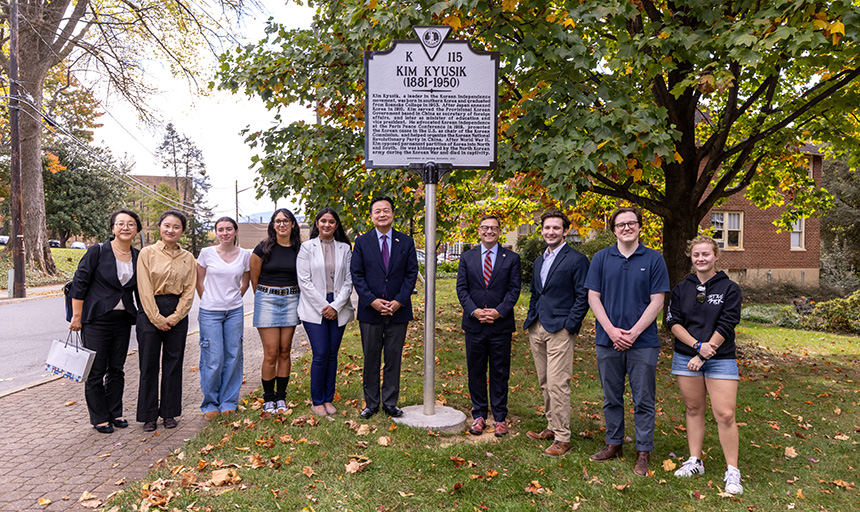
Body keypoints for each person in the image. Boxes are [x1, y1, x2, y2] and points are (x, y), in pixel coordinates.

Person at [585, 206, 670, 475]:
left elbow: (658, 301)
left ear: (639, 227)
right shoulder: (600, 258)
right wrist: (611, 330)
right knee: (612, 396)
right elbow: (593, 297)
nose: (626, 228)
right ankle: (614, 443)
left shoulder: (654, 259)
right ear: (613, 229)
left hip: (643, 342)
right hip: (606, 339)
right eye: (620, 224)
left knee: (643, 397)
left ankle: (643, 450)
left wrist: (633, 333)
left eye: (631, 223)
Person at [667, 236, 744, 494]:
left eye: (706, 254)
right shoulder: (680, 289)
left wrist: (705, 352)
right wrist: (697, 347)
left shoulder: (730, 288)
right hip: (686, 356)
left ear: (716, 256)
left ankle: (732, 470)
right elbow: (673, 322)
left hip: (720, 358)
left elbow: (727, 323)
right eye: (696, 255)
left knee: (725, 414)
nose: (701, 259)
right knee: (693, 408)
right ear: (691, 257)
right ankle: (694, 460)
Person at [522, 210, 590, 457]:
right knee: (544, 381)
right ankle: (551, 427)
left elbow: (584, 296)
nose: (551, 232)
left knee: (558, 383)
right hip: (537, 326)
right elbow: (535, 292)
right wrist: (531, 319)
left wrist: (570, 325)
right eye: (547, 228)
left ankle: (563, 437)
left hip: (560, 329)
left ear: (565, 231)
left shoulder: (577, 259)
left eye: (556, 228)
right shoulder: (541, 260)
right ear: (542, 229)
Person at [69, 209, 142, 433]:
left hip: (122, 319)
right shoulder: (98, 251)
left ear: (137, 229)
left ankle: (115, 412)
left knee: (117, 369)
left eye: (130, 224)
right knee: (96, 370)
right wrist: (77, 316)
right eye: (120, 223)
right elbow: (79, 283)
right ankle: (99, 417)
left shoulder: (139, 256)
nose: (125, 227)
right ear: (113, 228)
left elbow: (140, 289)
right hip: (96, 319)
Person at [350, 196, 419, 419]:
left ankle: (390, 403)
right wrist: (372, 301)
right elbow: (357, 275)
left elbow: (411, 274)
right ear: (371, 216)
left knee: (393, 357)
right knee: (371, 358)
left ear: (392, 214)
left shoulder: (406, 242)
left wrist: (399, 301)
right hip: (371, 311)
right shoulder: (362, 242)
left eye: (386, 210)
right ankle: (371, 403)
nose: (382, 214)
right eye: (377, 211)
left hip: (399, 311)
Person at [456, 214, 521, 436]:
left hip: (500, 325)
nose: (489, 231)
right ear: (479, 230)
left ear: (499, 231)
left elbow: (514, 290)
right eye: (485, 227)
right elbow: (461, 289)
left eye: (493, 228)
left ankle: (500, 417)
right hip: (474, 324)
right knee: (475, 370)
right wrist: (474, 311)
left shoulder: (511, 258)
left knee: (500, 371)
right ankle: (480, 415)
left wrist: (498, 311)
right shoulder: (467, 257)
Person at [136, 210, 197, 432]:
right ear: (160, 227)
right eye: (167, 226)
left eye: (176, 227)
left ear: (182, 231)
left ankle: (169, 413)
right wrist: (156, 318)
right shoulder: (147, 253)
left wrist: (174, 317)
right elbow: (143, 288)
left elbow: (189, 291)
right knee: (148, 365)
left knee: (173, 365)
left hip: (177, 314)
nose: (171, 230)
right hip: (150, 310)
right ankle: (148, 415)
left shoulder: (188, 258)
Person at [297, 208, 355, 416]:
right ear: (317, 223)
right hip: (315, 307)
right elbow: (304, 281)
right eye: (323, 221)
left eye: (331, 221)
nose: (327, 225)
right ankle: (317, 400)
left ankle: (329, 399)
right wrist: (324, 307)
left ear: (336, 225)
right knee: (320, 353)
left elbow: (349, 281)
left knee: (332, 354)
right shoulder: (306, 248)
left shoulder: (345, 249)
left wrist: (336, 306)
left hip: (338, 305)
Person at [196, 217, 251, 420]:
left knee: (233, 356)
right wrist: (209, 300)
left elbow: (245, 281)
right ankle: (210, 402)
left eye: (229, 229)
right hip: (210, 312)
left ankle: (228, 401)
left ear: (236, 231)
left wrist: (234, 297)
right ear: (216, 232)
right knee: (213, 358)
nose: (225, 233)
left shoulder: (245, 255)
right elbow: (199, 281)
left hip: (234, 311)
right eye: (221, 229)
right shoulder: (206, 253)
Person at [250, 208, 301, 415]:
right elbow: (255, 278)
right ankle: (268, 399)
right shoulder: (263, 248)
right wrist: (266, 295)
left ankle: (281, 397)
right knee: (270, 353)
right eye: (277, 221)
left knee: (284, 351)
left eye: (285, 221)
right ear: (272, 225)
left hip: (291, 299)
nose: (281, 224)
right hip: (267, 299)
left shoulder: (299, 249)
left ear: (293, 224)